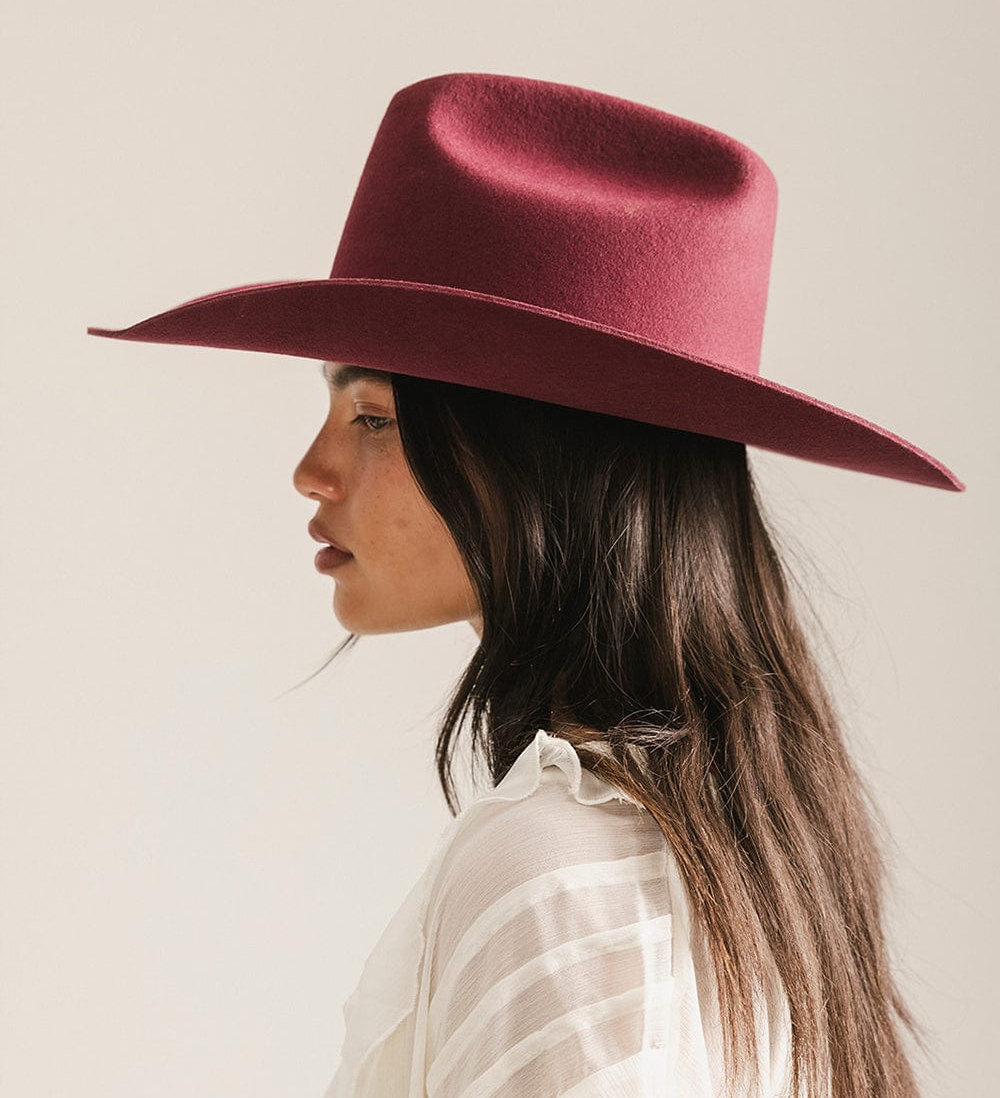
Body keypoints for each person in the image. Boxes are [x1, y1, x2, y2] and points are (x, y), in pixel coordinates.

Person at [87, 72, 964, 1098]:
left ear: (538, 462)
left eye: (372, 418)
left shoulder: (550, 870)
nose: (311, 471)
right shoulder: (762, 866)